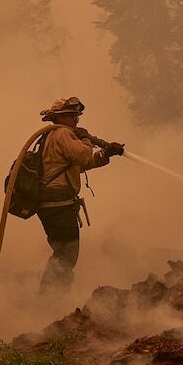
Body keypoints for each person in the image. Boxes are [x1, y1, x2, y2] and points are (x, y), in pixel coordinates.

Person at [36, 96, 124, 294]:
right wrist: (85, 139)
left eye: (77, 116)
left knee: (64, 253)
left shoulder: (55, 136)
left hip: (55, 204)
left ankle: (50, 296)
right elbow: (83, 154)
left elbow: (81, 164)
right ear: (62, 117)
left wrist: (106, 153)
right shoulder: (62, 134)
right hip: (58, 204)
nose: (77, 120)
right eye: (73, 116)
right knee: (66, 254)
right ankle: (50, 299)